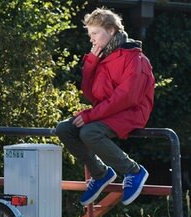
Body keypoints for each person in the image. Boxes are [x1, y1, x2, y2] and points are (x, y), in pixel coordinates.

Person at [56, 8, 155, 206]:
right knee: (64, 129)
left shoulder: (136, 59)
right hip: (108, 111)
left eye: (95, 33)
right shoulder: (103, 57)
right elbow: (92, 95)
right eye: (90, 34)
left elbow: (126, 98)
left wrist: (91, 115)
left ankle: (134, 171)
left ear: (111, 30)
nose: (91, 39)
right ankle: (100, 173)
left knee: (89, 132)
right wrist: (91, 64)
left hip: (131, 112)